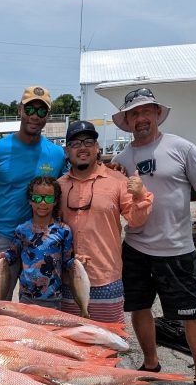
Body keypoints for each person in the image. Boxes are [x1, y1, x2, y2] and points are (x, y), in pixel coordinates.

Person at [111, 87, 196, 385]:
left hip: (177, 249)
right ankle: (150, 362)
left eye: (145, 111)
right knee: (139, 309)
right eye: (134, 113)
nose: (140, 118)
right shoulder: (120, 161)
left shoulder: (182, 147)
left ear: (156, 114)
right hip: (135, 248)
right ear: (127, 120)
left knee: (195, 315)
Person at [0, 86, 66, 304]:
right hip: (4, 238)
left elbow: (74, 183)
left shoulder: (56, 154)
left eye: (42, 111)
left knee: (38, 311)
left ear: (48, 116)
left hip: (41, 242)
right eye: (30, 109)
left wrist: (110, 169)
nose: (35, 116)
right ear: (20, 110)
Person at [58, 120, 153, 323]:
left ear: (97, 147)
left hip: (107, 278)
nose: (82, 147)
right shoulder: (59, 186)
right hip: (68, 279)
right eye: (75, 144)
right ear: (67, 151)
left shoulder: (117, 180)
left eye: (88, 142)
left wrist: (139, 195)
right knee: (72, 341)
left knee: (108, 342)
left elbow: (136, 220)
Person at [0, 176, 74, 307]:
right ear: (30, 200)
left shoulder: (64, 230)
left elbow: (67, 262)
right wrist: (3, 257)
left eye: (48, 198)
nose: (42, 203)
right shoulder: (22, 230)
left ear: (55, 201)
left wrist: (78, 262)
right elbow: (12, 255)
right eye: (37, 198)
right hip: (26, 298)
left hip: (54, 299)